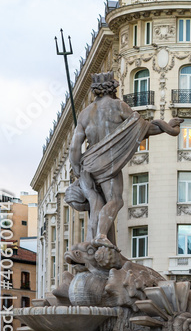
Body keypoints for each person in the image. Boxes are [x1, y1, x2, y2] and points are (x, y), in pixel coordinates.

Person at [69, 72, 182, 248]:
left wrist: (76, 168)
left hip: (88, 164)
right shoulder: (118, 106)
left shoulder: (85, 113)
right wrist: (168, 127)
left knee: (95, 203)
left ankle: (92, 243)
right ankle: (100, 235)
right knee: (115, 200)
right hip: (107, 163)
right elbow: (143, 129)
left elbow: (74, 146)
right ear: (113, 88)